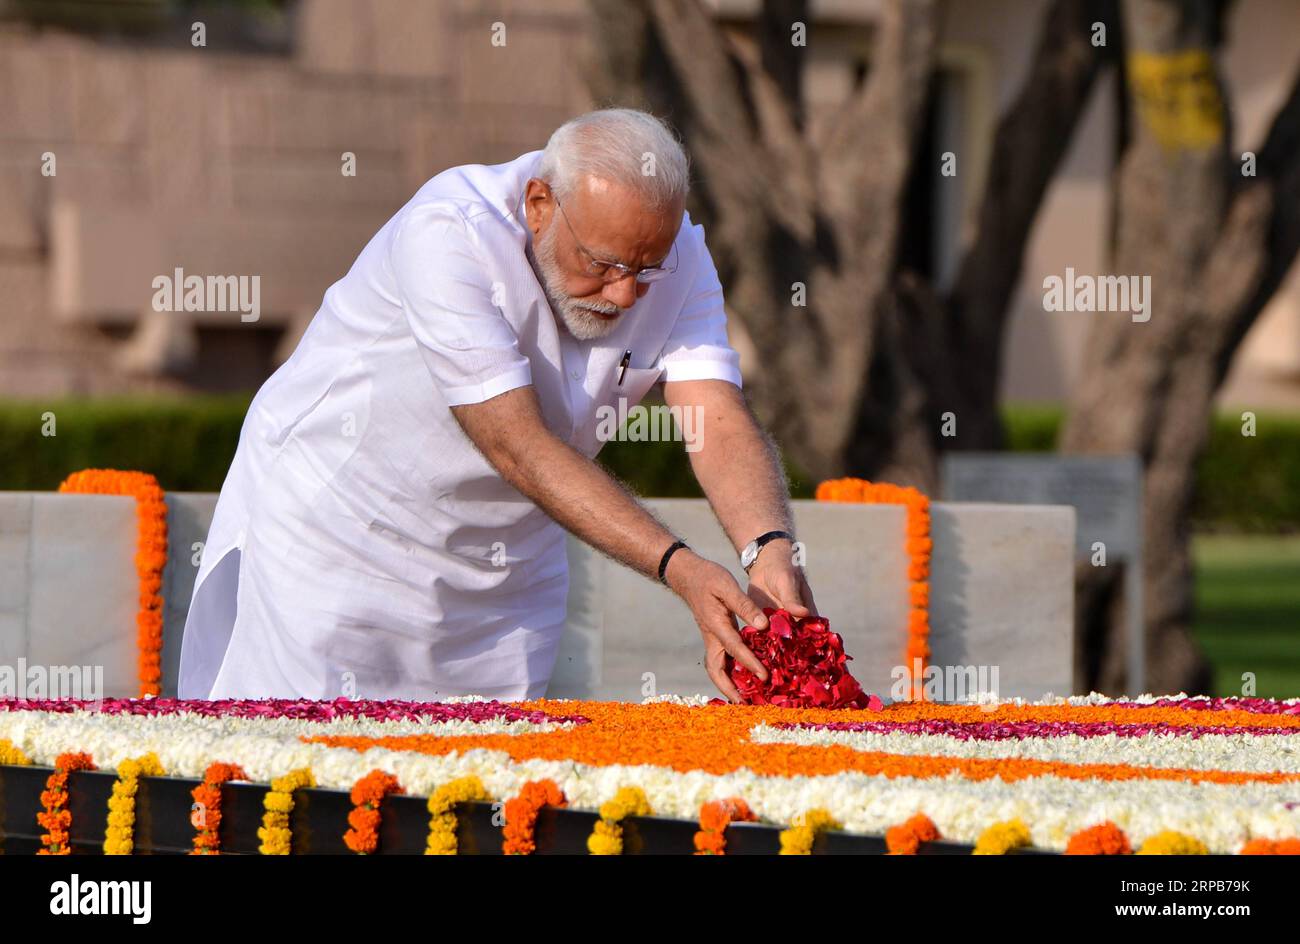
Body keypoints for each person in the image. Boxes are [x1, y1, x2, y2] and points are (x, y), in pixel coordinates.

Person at [178, 108, 816, 703]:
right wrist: (679, 568)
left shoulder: (678, 255)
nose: (624, 295)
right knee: (308, 783)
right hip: (341, 537)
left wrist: (769, 548)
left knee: (491, 797)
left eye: (645, 270)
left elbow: (716, 413)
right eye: (603, 264)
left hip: (505, 574)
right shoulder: (450, 232)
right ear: (539, 205)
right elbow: (517, 444)